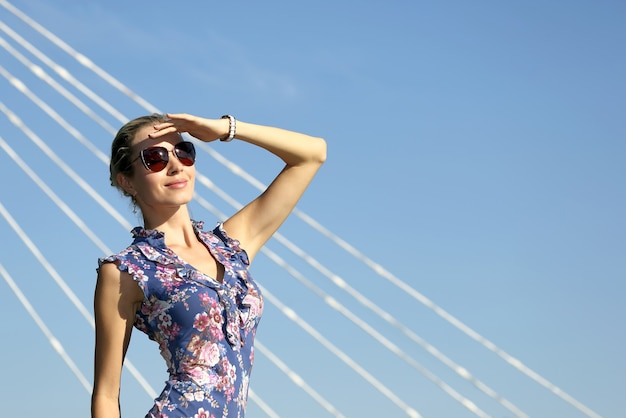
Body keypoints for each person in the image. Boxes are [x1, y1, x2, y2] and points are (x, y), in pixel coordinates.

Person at [91, 113, 326, 418]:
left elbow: (312, 155)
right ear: (127, 181)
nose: (176, 165)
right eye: (155, 158)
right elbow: (107, 394)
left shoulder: (230, 246)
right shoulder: (126, 271)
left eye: (183, 151)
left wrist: (225, 129)